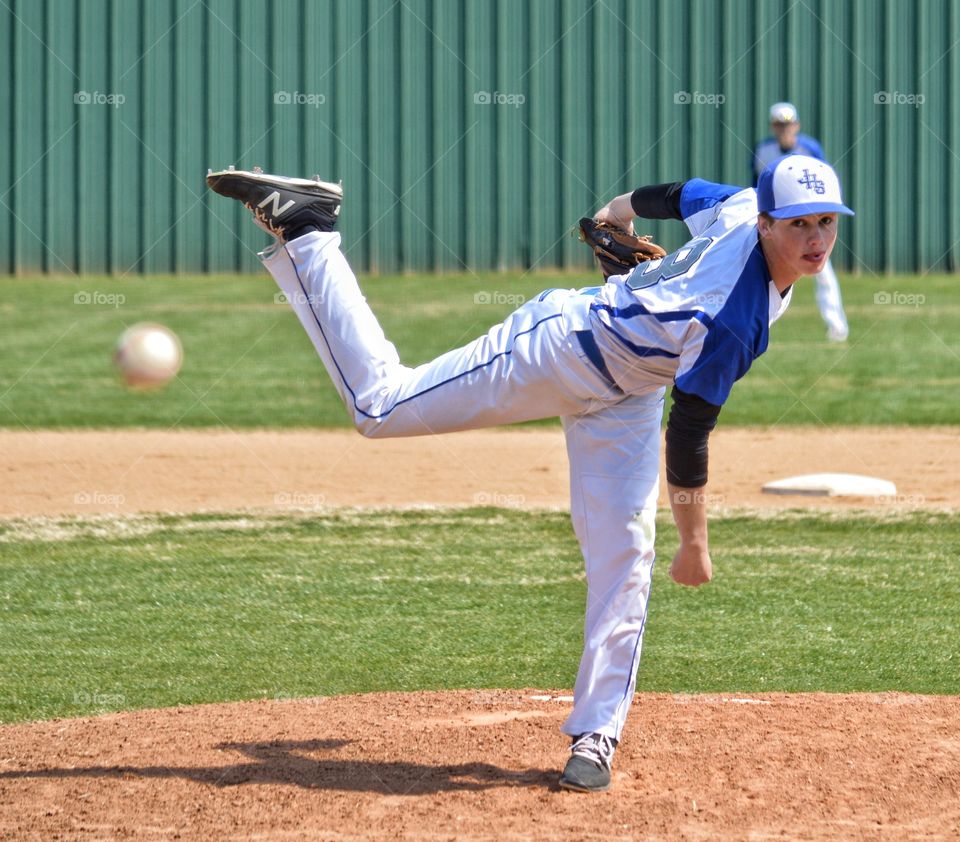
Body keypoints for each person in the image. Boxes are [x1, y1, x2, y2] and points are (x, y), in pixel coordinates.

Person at [206, 154, 853, 793]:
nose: (816, 238)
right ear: (766, 219)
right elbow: (687, 440)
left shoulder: (739, 205)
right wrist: (697, 543)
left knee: (626, 551)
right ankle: (309, 229)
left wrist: (611, 213)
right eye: (798, 223)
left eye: (826, 221)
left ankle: (597, 734)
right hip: (563, 348)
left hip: (630, 396)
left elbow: (676, 195)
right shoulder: (733, 322)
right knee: (380, 406)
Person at [753, 102, 850, 342]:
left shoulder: (809, 148)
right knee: (762, 274)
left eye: (788, 123)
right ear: (773, 127)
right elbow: (755, 187)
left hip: (809, 221)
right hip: (778, 222)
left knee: (823, 273)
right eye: (779, 124)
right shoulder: (763, 150)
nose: (784, 129)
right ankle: (757, 326)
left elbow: (825, 182)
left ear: (796, 125)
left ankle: (837, 328)